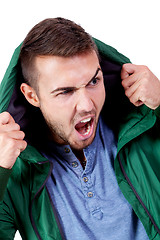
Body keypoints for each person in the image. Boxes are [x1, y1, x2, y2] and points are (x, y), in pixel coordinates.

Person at [0, 17, 160, 240]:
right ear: (32, 95)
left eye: (94, 81)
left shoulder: (142, 126)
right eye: (65, 91)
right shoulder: (15, 170)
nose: (87, 105)